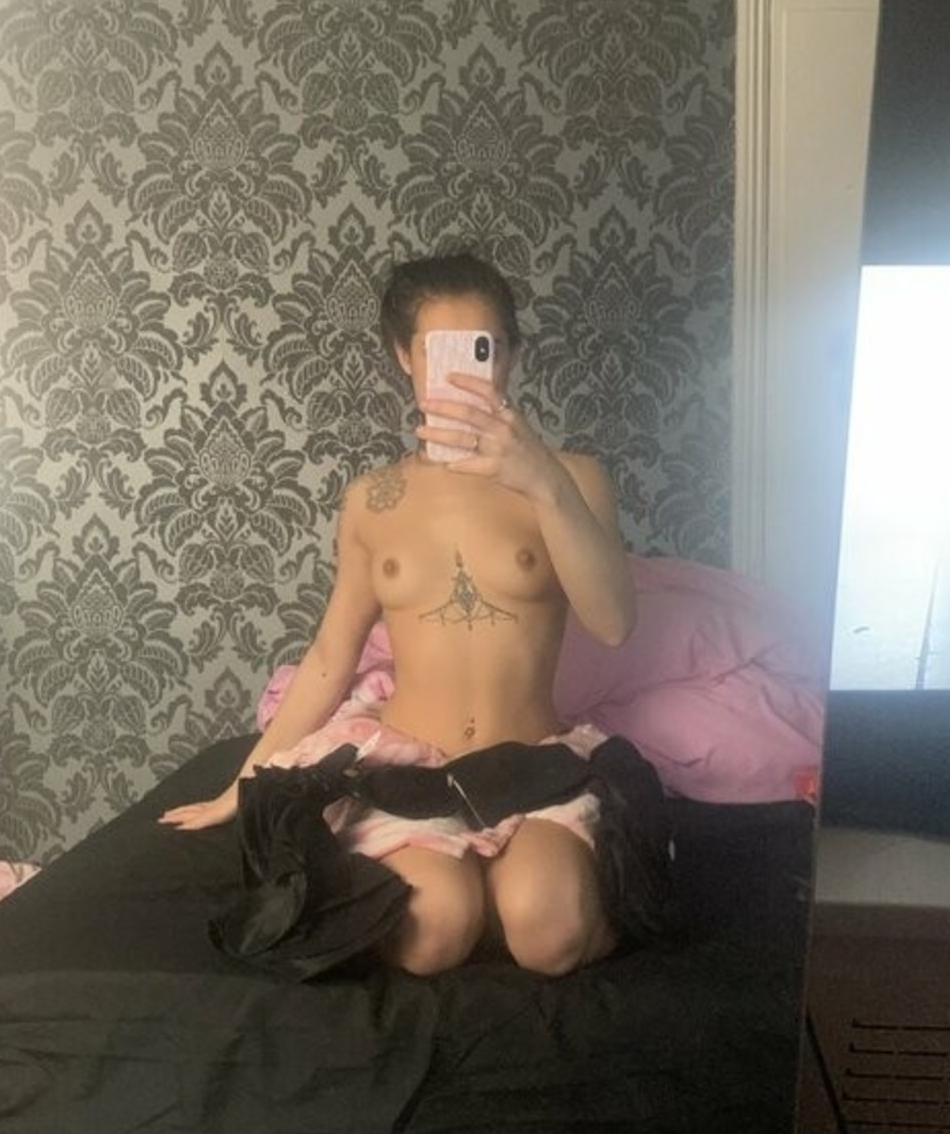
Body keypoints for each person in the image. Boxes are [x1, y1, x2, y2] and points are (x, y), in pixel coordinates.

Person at [161, 251, 638, 977]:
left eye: (483, 348)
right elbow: (331, 657)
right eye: (438, 351)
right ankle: (472, 892)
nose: (464, 372)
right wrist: (240, 786)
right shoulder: (371, 499)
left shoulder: (574, 477)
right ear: (403, 357)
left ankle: (527, 891)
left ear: (511, 355)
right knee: (433, 932)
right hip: (415, 775)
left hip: (531, 766)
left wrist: (543, 483)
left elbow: (614, 623)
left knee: (549, 935)